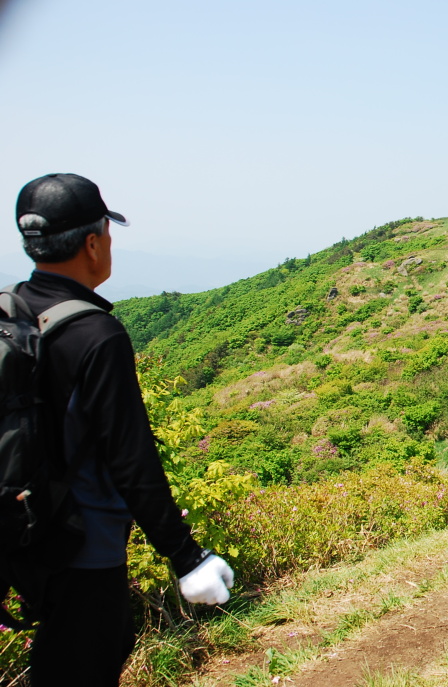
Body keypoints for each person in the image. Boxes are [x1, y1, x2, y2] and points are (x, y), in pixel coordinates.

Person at [12, 173, 234, 686]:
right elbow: (131, 460)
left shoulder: (12, 313)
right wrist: (187, 557)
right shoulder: (96, 335)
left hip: (20, 534)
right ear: (93, 243)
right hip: (83, 549)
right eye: (107, 234)